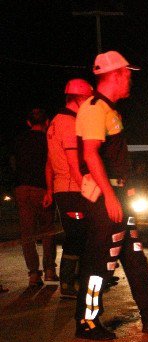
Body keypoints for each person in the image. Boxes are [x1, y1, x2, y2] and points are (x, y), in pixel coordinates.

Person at [74, 50, 148, 340]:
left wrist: (127, 187)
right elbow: (90, 154)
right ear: (116, 74)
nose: (130, 81)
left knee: (134, 256)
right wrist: (110, 196)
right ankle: (87, 322)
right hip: (105, 196)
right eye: (128, 75)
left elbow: (114, 156)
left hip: (119, 192)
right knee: (101, 261)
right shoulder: (94, 108)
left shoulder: (111, 110)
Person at [45, 79, 93, 298]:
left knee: (78, 234)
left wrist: (49, 189)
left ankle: (74, 282)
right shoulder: (68, 123)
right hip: (72, 189)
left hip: (63, 188)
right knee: (77, 235)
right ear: (79, 98)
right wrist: (88, 189)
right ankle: (68, 284)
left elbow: (49, 162)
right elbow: (74, 164)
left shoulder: (55, 122)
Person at [13, 108, 53, 288]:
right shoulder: (48, 139)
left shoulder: (19, 140)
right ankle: (50, 270)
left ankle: (33, 274)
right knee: (47, 230)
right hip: (42, 188)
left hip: (22, 188)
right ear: (47, 122)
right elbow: (51, 164)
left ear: (28, 123)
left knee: (27, 234)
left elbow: (12, 163)